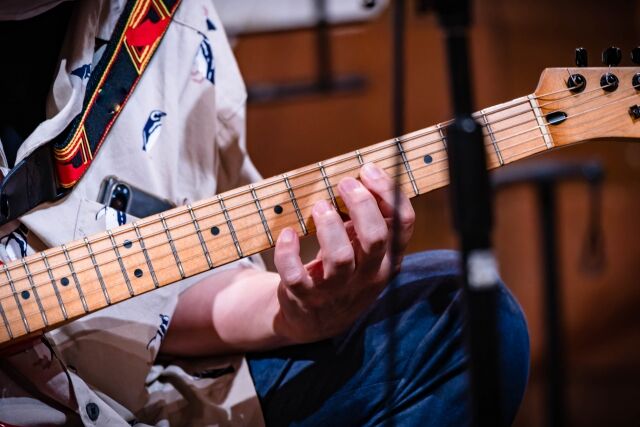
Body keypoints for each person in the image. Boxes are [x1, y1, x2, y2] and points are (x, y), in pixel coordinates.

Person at [0, 0, 529, 426]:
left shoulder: (169, 21)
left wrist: (293, 313)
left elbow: (163, 295)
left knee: (463, 317)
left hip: (135, 393)